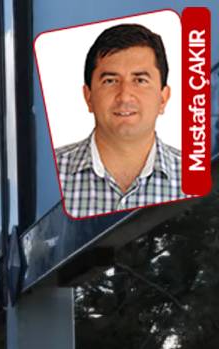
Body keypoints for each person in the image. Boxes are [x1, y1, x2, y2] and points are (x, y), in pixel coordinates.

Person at [55, 23, 184, 218]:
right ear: (88, 96)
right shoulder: (48, 176)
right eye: (110, 81)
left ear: (163, 98)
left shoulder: (198, 179)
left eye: (140, 80)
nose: (124, 96)